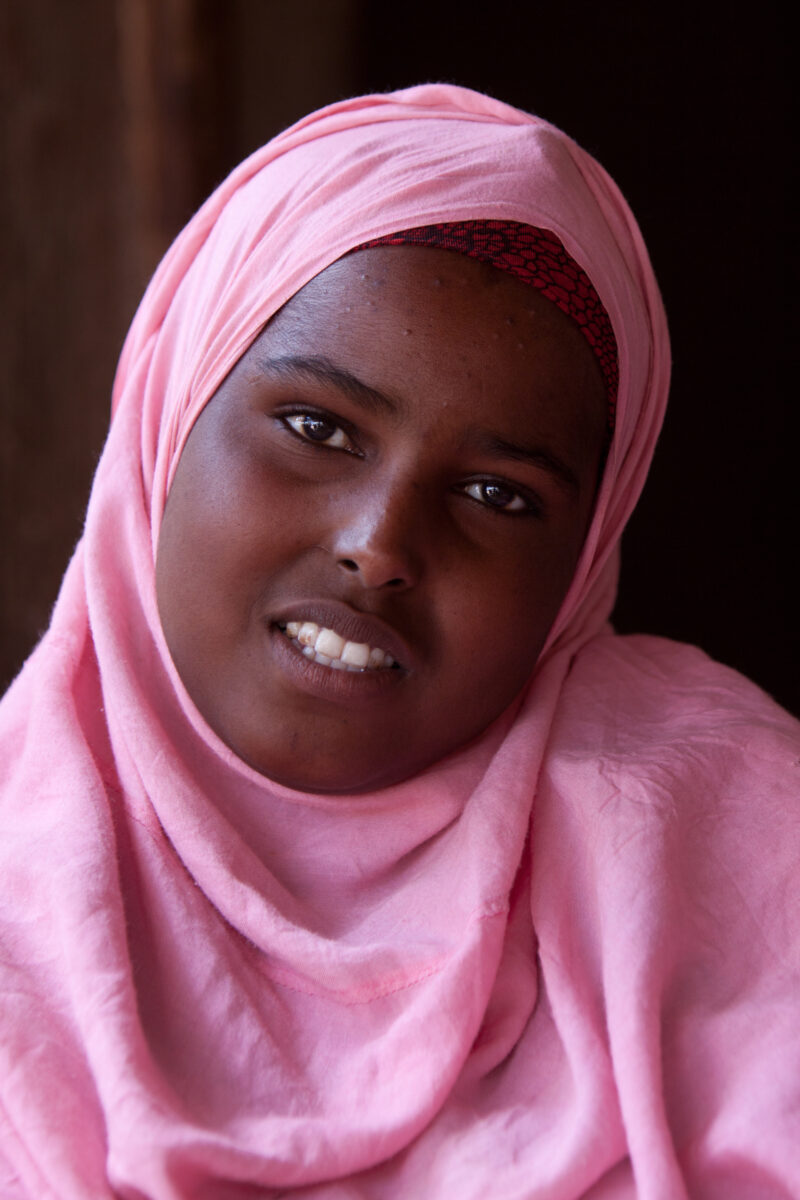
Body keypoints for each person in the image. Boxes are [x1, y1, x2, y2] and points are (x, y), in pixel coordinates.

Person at [0, 84, 797, 1200]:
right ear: (167, 422)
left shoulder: (728, 837)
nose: (378, 547)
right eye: (317, 429)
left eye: (494, 493)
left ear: (580, 560)